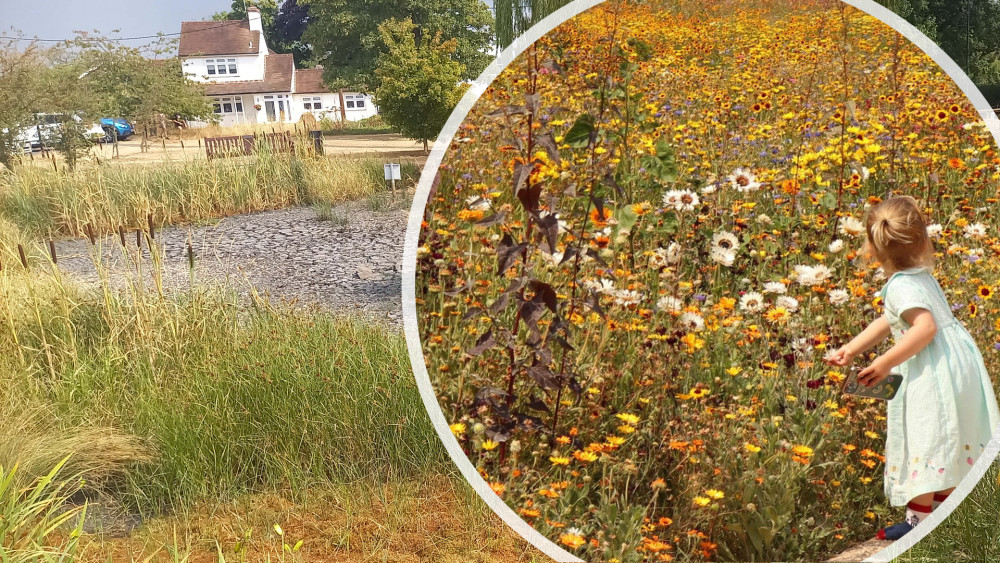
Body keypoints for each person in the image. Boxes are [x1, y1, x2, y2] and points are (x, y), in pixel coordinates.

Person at [826, 195, 1000, 540]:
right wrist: (853, 347)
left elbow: (924, 328)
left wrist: (883, 361)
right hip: (955, 367)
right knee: (950, 437)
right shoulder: (918, 278)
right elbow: (891, 320)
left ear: (872, 250)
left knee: (926, 439)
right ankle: (948, 514)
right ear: (922, 241)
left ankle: (919, 523)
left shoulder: (902, 285)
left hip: (931, 374)